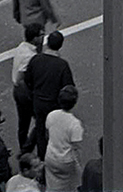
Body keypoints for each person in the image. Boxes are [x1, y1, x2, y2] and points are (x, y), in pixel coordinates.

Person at [25, 30, 75, 160]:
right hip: (53, 104)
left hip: (38, 102)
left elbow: (27, 80)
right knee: (54, 133)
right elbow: (68, 87)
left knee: (40, 130)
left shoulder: (36, 59)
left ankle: (42, 158)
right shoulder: (62, 65)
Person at [43, 85, 83, 192]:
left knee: (51, 185)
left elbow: (47, 135)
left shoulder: (51, 115)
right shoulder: (75, 124)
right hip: (66, 161)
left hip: (50, 156)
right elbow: (76, 148)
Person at [12, 23, 43, 154]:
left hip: (17, 90)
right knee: (40, 120)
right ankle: (27, 148)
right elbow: (21, 76)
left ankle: (23, 147)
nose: (43, 37)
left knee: (23, 123)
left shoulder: (22, 47)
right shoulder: (30, 56)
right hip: (24, 91)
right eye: (41, 35)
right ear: (35, 38)